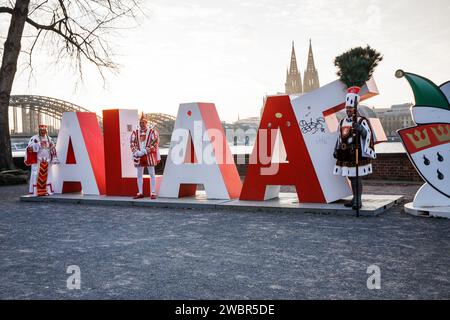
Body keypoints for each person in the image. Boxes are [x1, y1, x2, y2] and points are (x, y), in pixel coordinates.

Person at [333, 86, 376, 209]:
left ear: (355, 109)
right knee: (351, 177)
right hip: (345, 153)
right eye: (347, 108)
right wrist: (336, 149)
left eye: (350, 108)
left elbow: (368, 135)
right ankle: (354, 198)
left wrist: (361, 129)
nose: (348, 110)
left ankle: (358, 200)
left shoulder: (361, 121)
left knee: (356, 178)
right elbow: (339, 137)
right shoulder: (342, 122)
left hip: (357, 152)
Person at [130, 112, 160, 199]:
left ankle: (153, 192)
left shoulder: (152, 132)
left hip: (149, 155)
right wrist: (136, 152)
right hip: (139, 156)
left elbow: (155, 144)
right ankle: (140, 192)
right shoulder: (135, 133)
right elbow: (132, 143)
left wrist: (145, 151)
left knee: (152, 173)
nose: (142, 124)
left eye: (143, 123)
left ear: (146, 123)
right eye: (140, 123)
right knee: (139, 174)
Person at [24, 124, 59, 196]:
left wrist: (53, 146)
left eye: (44, 130)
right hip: (38, 161)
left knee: (48, 176)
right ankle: (36, 192)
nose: (43, 132)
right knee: (36, 175)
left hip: (47, 161)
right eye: (41, 130)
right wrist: (37, 145)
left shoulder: (49, 138)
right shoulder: (34, 138)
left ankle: (47, 191)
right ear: (39, 131)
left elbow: (52, 149)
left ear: (46, 131)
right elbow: (29, 148)